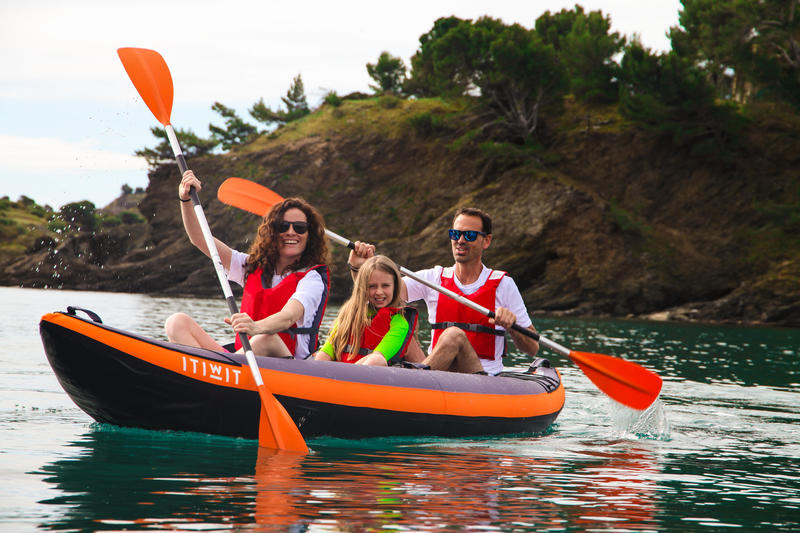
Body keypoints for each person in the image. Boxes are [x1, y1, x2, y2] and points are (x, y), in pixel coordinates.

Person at [347, 207, 539, 375]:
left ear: (486, 241)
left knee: (453, 335)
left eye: (469, 236)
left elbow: (532, 348)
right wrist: (357, 268)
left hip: (480, 376)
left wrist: (512, 327)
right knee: (401, 326)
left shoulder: (503, 284)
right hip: (439, 370)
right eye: (455, 234)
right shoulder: (434, 278)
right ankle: (361, 372)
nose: (460, 240)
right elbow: (377, 296)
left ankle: (415, 382)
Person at [165, 170, 330, 359]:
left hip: (289, 365)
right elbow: (200, 239)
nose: (291, 232)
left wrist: (256, 327)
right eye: (283, 226)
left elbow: (289, 316)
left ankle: (220, 374)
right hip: (245, 359)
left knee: (264, 339)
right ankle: (210, 377)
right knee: (176, 322)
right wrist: (185, 200)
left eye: (299, 228)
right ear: (272, 232)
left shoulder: (312, 278)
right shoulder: (249, 266)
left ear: (310, 235)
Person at [313, 255, 418, 366]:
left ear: (395, 287)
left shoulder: (400, 323)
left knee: (377, 360)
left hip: (369, 376)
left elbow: (378, 356)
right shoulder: (348, 315)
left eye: (385, 286)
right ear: (363, 288)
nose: (379, 292)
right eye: (372, 286)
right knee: (321, 355)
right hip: (339, 376)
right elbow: (327, 351)